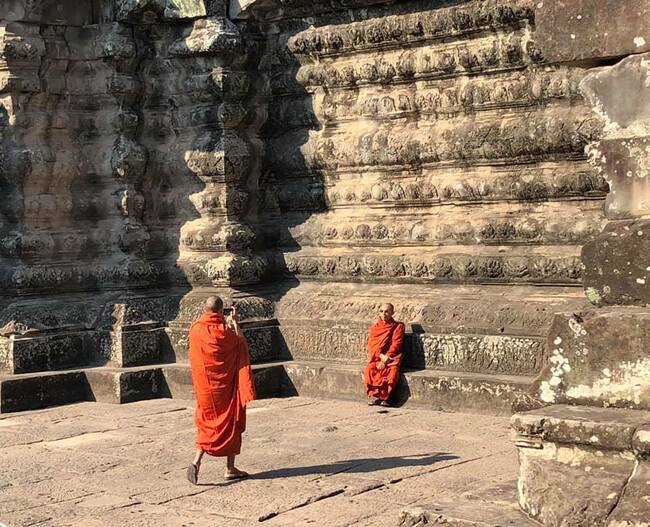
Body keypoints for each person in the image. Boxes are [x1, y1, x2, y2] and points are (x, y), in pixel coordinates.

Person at [186, 296, 256, 484]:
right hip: (225, 389)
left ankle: (196, 461)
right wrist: (234, 322)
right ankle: (230, 467)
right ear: (221, 311)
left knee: (207, 422)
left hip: (205, 390)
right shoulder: (225, 332)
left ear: (205, 308)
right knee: (231, 420)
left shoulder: (195, 329)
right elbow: (241, 343)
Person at [363, 303, 406, 407]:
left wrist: (386, 359)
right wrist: (380, 356)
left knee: (391, 372)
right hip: (378, 357)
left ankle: (386, 398)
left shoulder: (398, 326)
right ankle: (376, 396)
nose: (384, 314)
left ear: (392, 313)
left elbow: (396, 344)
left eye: (387, 311)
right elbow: (372, 346)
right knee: (370, 370)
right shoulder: (375, 328)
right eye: (381, 311)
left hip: (392, 357)